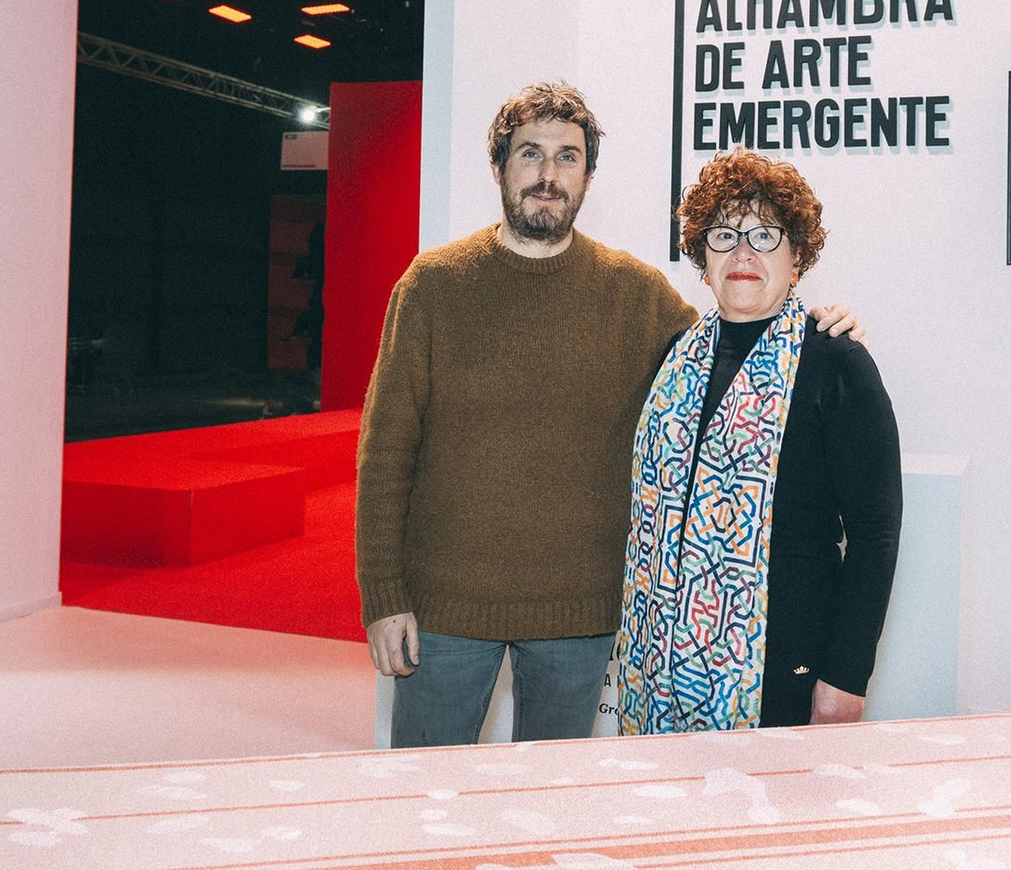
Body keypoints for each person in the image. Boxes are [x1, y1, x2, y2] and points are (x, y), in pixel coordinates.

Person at [356, 82, 863, 748]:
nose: (547, 173)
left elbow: (737, 343)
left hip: (581, 617)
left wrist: (818, 328)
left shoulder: (635, 293)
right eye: (529, 154)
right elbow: (385, 451)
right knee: (421, 808)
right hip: (445, 611)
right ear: (499, 167)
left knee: (557, 813)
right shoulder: (433, 285)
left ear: (587, 176)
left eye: (567, 157)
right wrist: (383, 594)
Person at [617, 147, 902, 733]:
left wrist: (846, 677)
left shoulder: (835, 361)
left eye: (765, 235)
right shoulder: (674, 361)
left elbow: (876, 533)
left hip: (784, 667)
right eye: (723, 235)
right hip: (657, 665)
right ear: (702, 260)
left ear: (797, 257)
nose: (743, 251)